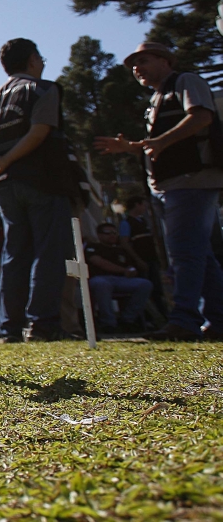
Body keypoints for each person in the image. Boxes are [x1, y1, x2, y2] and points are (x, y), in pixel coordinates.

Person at [95, 42, 223, 341]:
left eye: (144, 61)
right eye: (134, 65)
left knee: (184, 252)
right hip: (173, 184)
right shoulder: (157, 98)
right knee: (200, 255)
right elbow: (158, 144)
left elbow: (202, 116)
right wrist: (132, 147)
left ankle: (184, 320)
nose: (137, 68)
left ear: (166, 61)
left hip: (190, 179)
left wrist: (161, 141)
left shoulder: (185, 81)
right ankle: (217, 319)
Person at [0, 38, 73, 342]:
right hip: (43, 180)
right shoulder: (42, 89)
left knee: (14, 254)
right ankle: (42, 324)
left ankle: (10, 327)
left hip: (5, 187)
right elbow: (40, 131)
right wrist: (9, 159)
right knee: (49, 252)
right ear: (33, 59)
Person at [83, 221, 153, 334]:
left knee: (144, 284)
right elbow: (99, 262)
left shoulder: (121, 250)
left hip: (121, 280)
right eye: (107, 232)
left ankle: (128, 319)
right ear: (99, 235)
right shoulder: (93, 247)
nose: (112, 235)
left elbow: (130, 266)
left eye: (115, 233)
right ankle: (108, 323)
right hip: (99, 278)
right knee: (102, 284)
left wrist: (132, 271)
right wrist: (123, 270)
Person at [118, 196, 163, 314]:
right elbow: (125, 243)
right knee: (145, 288)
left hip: (151, 259)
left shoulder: (143, 221)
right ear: (137, 204)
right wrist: (137, 260)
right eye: (143, 204)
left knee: (157, 288)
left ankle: (161, 313)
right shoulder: (126, 223)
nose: (145, 207)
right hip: (140, 261)